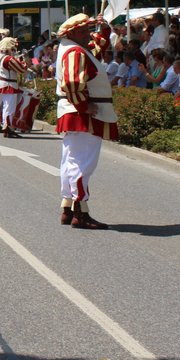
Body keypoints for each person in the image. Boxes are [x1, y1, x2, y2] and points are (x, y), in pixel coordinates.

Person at [55, 14, 116, 230]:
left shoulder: (73, 48)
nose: (88, 35)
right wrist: (83, 105)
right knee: (83, 162)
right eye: (83, 31)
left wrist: (103, 29)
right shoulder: (74, 51)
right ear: (71, 33)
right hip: (84, 113)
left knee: (71, 160)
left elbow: (95, 52)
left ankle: (68, 206)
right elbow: (72, 81)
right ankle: (80, 212)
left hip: (74, 111)